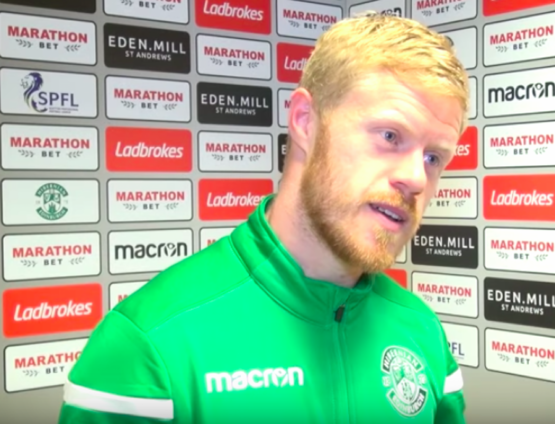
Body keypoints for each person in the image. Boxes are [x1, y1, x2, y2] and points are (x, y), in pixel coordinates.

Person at [58, 11, 470, 424]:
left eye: (433, 157)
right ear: (306, 122)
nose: (417, 179)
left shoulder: (424, 333)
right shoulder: (149, 345)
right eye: (390, 136)